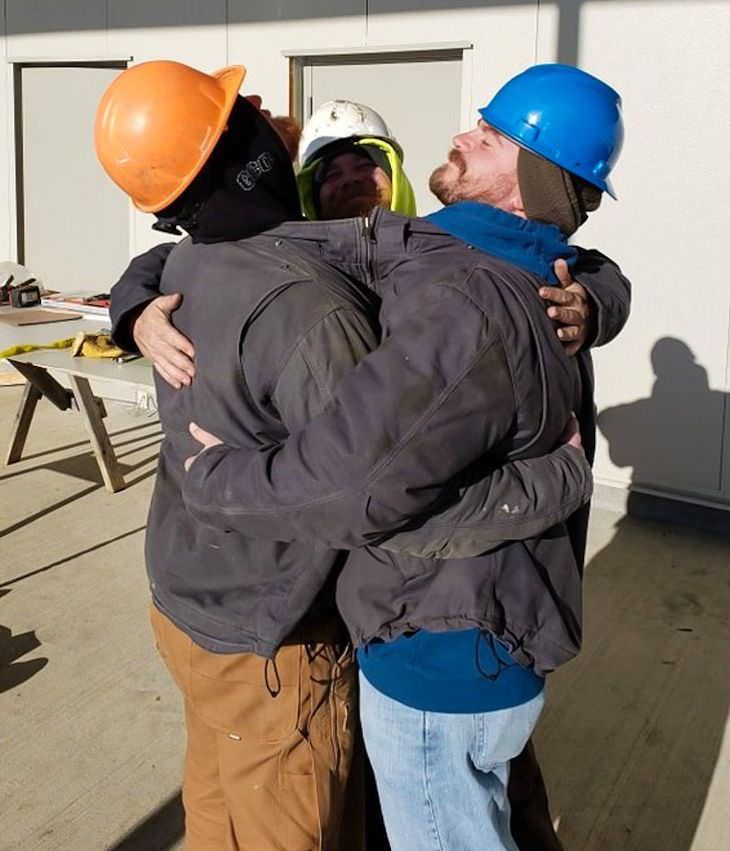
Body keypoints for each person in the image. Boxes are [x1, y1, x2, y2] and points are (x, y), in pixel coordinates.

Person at [99, 61, 611, 851]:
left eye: (365, 163)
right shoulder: (365, 267)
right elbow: (363, 493)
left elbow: (360, 493)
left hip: (432, 627)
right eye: (327, 170)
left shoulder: (450, 282)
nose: (349, 183)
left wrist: (600, 299)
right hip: (356, 620)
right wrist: (132, 309)